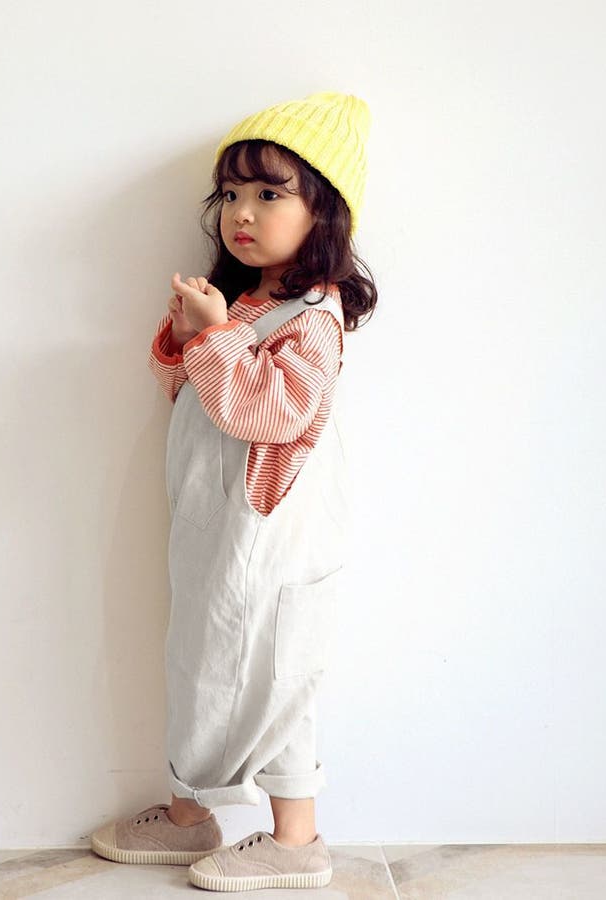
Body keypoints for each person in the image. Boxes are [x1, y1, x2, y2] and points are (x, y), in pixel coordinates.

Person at [91, 91, 377, 891]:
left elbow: (266, 411)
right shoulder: (249, 302)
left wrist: (217, 338)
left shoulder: (313, 318)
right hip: (215, 533)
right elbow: (188, 394)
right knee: (203, 660)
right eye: (230, 193)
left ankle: (297, 839)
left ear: (324, 214)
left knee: (273, 676)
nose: (241, 212)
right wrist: (191, 337)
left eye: (269, 193)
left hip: (269, 539)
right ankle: (192, 815)